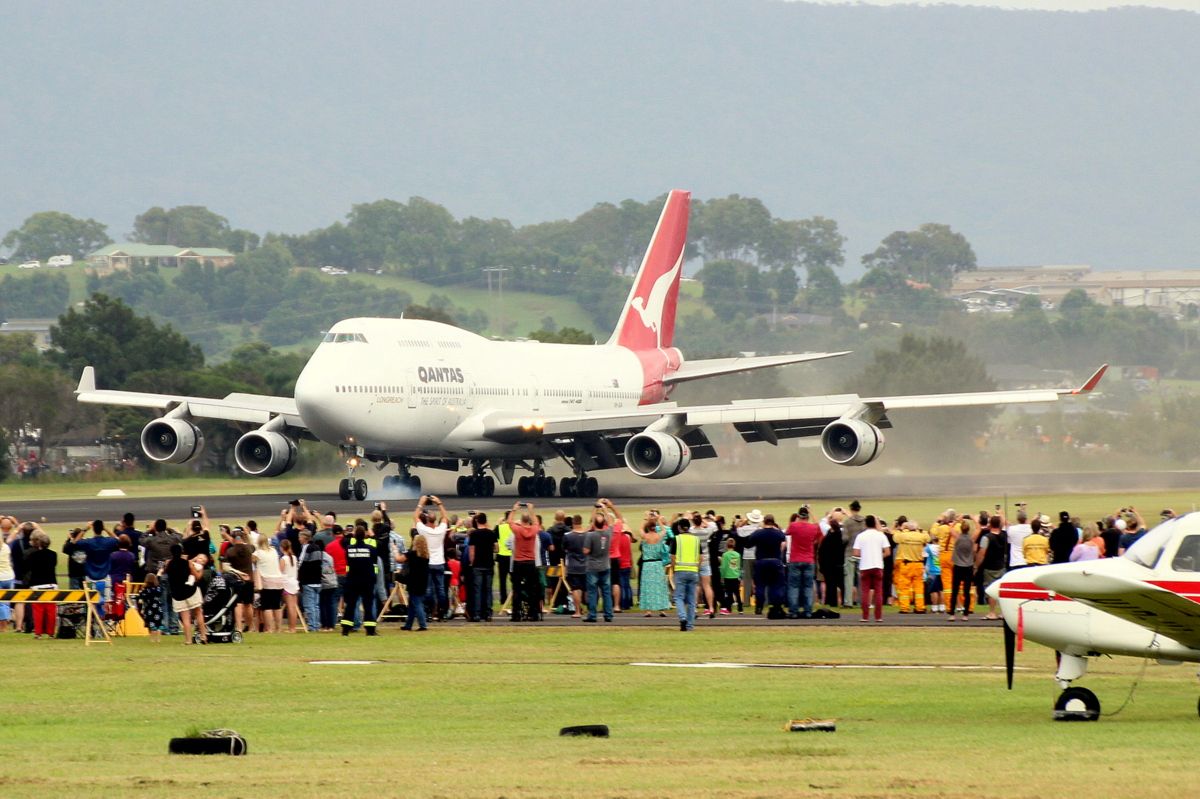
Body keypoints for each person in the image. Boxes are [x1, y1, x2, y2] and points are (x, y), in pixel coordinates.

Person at [740, 514, 787, 618]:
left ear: (764, 522)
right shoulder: (778, 533)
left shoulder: (758, 533)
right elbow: (783, 544)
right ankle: (775, 605)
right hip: (775, 560)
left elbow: (748, 545)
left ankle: (759, 606)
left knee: (760, 585)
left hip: (762, 561)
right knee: (776, 585)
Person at [141, 519, 182, 635]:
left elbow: (141, 540)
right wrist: (170, 529)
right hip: (172, 573)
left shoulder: (152, 540)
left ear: (156, 528)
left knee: (161, 601)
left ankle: (164, 626)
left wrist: (149, 530)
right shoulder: (172, 539)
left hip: (157, 573)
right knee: (173, 601)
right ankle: (174, 627)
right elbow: (180, 536)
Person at [414, 495, 451, 621]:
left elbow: (415, 517)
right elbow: (445, 518)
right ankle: (442, 612)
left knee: (428, 589)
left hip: (428, 563)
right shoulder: (441, 530)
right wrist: (439, 504)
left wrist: (421, 503)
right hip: (440, 563)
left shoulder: (424, 530)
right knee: (441, 589)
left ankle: (429, 612)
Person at [340, 522, 380, 636]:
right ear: (365, 535)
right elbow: (374, 564)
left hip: (352, 580)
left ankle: (346, 629)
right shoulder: (371, 549)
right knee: (368, 605)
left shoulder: (349, 549)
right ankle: (370, 629)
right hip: (367, 581)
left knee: (351, 605)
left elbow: (344, 544)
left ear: (354, 536)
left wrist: (349, 535)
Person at [77, 519, 118, 621]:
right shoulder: (108, 542)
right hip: (105, 577)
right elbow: (117, 539)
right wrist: (106, 528)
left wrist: (86, 528)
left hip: (90, 578)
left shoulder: (88, 543)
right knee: (106, 601)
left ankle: (92, 623)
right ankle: (106, 624)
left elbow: (76, 541)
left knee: (91, 602)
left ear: (94, 529)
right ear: (102, 529)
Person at [507, 501, 542, 622]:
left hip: (518, 562)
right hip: (530, 562)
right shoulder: (533, 530)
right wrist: (532, 510)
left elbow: (509, 522)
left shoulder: (517, 530)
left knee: (516, 588)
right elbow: (537, 523)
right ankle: (533, 613)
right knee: (533, 589)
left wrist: (514, 509)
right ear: (529, 521)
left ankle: (516, 614)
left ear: (521, 521)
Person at [785, 506, 823, 618]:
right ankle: (808, 611)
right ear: (807, 516)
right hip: (809, 559)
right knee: (808, 586)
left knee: (793, 586)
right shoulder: (813, 528)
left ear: (798, 516)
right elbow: (820, 534)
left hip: (795, 559)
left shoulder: (794, 526)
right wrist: (812, 512)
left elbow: (788, 532)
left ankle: (793, 611)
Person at [852, 515, 890, 623]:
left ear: (865, 524)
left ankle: (865, 616)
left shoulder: (861, 536)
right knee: (878, 592)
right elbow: (887, 552)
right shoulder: (881, 535)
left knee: (865, 592)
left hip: (865, 566)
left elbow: (856, 553)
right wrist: (878, 556)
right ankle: (878, 617)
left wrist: (864, 555)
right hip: (878, 566)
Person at [166, 544, 207, 644]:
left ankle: (188, 640)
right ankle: (203, 636)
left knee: (185, 618)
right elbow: (197, 577)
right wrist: (201, 569)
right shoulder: (187, 563)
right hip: (190, 590)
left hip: (178, 594)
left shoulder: (169, 564)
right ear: (181, 552)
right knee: (198, 613)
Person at [582, 503, 614, 623]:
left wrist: (595, 510)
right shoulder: (608, 533)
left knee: (592, 592)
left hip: (593, 566)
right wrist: (605, 509)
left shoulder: (590, 535)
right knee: (606, 592)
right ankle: (608, 615)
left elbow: (586, 551)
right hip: (605, 565)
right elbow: (611, 523)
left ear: (594, 524)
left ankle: (592, 615)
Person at [24, 529, 58, 639]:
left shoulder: (33, 556)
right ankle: (51, 632)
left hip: (37, 584)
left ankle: (38, 633)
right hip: (51, 584)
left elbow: (29, 567)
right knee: (51, 610)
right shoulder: (53, 555)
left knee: (38, 610)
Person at [892, 521, 930, 614]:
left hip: (906, 564)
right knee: (919, 588)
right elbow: (928, 538)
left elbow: (895, 537)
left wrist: (902, 529)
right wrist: (921, 530)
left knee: (904, 587)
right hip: (918, 565)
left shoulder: (903, 535)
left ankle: (905, 608)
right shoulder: (921, 536)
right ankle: (920, 607)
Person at [671, 517, 702, 631]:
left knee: (678, 597)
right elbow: (701, 557)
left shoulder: (677, 539)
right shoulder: (696, 540)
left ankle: (683, 617)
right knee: (691, 599)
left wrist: (674, 569)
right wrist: (696, 569)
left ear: (679, 527)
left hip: (680, 570)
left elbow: (673, 557)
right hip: (693, 571)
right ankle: (690, 625)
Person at [638, 518, 671, 617]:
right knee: (660, 586)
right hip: (658, 564)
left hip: (647, 565)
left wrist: (646, 520)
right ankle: (662, 609)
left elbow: (640, 528)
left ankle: (648, 610)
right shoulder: (659, 536)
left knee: (648, 587)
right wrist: (659, 522)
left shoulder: (645, 537)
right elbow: (664, 530)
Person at [468, 513, 497, 622]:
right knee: (488, 589)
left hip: (478, 565)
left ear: (477, 521)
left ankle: (477, 614)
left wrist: (472, 562)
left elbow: (472, 551)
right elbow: (497, 548)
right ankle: (488, 613)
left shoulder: (474, 534)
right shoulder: (491, 533)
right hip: (489, 564)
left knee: (477, 590)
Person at [977, 516, 1008, 620]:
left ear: (990, 524)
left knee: (991, 590)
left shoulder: (986, 537)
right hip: (1001, 566)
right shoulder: (1004, 535)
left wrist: (976, 566)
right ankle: (1003, 613)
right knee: (1001, 590)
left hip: (990, 567)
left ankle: (992, 612)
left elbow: (982, 553)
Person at [254, 532, 285, 633]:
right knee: (277, 606)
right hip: (278, 581)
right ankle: (279, 628)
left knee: (267, 606)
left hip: (267, 581)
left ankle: (270, 628)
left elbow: (251, 559)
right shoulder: (274, 551)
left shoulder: (258, 553)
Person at [399, 534, 430, 631]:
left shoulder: (412, 554)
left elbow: (399, 559)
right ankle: (408, 624)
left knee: (416, 603)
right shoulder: (426, 555)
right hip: (423, 581)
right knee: (412, 604)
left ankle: (423, 625)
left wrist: (394, 549)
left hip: (413, 582)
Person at [947, 520, 976, 620]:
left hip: (958, 566)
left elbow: (950, 529)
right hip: (968, 566)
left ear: (961, 529)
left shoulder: (958, 538)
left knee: (954, 591)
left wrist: (956, 521)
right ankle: (965, 615)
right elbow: (979, 529)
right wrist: (974, 519)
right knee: (966, 592)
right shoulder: (971, 539)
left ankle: (952, 614)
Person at [817, 509, 845, 607]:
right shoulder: (841, 536)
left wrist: (821, 565)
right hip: (839, 564)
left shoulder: (828, 538)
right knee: (841, 584)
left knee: (830, 585)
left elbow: (821, 552)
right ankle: (844, 601)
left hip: (828, 565)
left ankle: (831, 602)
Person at [562, 515, 588, 618]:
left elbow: (564, 548)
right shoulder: (587, 535)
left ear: (573, 523)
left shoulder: (568, 536)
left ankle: (577, 611)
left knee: (576, 589)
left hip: (573, 565)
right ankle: (589, 610)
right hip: (586, 565)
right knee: (586, 589)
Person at [842, 500, 866, 608]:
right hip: (862, 553)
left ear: (851, 509)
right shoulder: (865, 521)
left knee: (848, 579)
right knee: (862, 579)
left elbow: (844, 539)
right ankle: (863, 601)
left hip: (849, 552)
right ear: (859, 509)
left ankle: (848, 602)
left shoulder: (847, 522)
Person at [279, 539, 301, 632]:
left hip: (286, 584)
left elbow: (280, 571)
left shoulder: (283, 559)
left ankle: (291, 628)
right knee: (293, 606)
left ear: (282, 548)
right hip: (294, 583)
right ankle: (293, 627)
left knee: (290, 607)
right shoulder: (294, 558)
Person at [137, 573, 165, 642]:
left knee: (152, 624)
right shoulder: (158, 588)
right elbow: (161, 593)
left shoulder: (145, 590)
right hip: (158, 608)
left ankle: (152, 639)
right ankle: (158, 639)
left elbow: (140, 599)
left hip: (149, 609)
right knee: (159, 624)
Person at [719, 537, 742, 614]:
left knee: (729, 593)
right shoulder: (737, 554)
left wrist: (722, 576)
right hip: (735, 575)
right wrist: (739, 575)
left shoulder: (725, 555)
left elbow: (724, 566)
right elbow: (738, 566)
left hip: (728, 576)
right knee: (737, 593)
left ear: (726, 545)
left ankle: (729, 608)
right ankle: (740, 608)